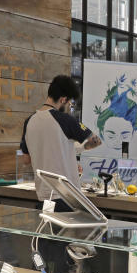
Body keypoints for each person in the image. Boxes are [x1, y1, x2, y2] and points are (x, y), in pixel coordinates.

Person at [21, 75, 101, 211]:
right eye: (69, 103)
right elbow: (96, 141)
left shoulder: (29, 121)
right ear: (63, 99)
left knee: (49, 232)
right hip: (67, 197)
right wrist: (76, 149)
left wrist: (65, 148)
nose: (70, 107)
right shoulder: (65, 120)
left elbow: (26, 159)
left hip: (43, 197)